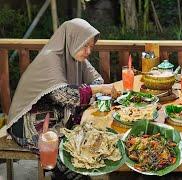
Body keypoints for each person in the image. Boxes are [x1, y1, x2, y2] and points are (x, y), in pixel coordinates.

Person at [0, 18, 114, 152]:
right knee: (74, 147)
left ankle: (69, 170)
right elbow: (62, 96)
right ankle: (65, 171)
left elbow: (97, 80)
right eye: (85, 45)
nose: (88, 51)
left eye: (91, 46)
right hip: (27, 123)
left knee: (86, 136)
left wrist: (95, 88)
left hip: (54, 114)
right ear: (73, 39)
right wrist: (98, 90)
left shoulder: (76, 57)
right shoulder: (50, 58)